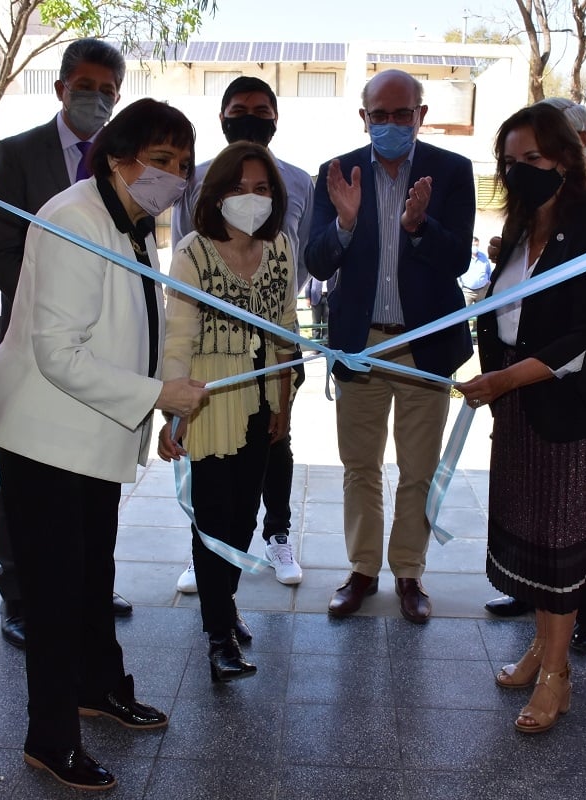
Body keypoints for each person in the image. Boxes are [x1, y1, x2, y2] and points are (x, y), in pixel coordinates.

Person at [0, 98, 208, 791]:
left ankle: (98, 687)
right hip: (47, 437)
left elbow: (135, 326)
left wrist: (159, 405)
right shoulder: (76, 219)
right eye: (160, 160)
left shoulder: (129, 221)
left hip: (92, 431)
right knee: (53, 593)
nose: (172, 177)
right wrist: (157, 397)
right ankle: (50, 738)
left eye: (182, 164)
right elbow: (59, 354)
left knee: (91, 576)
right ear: (115, 157)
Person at [457, 102, 586, 734]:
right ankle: (542, 647)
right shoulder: (521, 224)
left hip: (580, 407)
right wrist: (499, 378)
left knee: (563, 537)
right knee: (534, 529)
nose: (520, 171)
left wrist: (504, 380)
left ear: (566, 157)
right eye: (510, 161)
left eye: (532, 158)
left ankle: (557, 677)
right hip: (521, 400)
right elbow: (505, 311)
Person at [305, 69, 475, 624]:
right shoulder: (336, 173)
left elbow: (459, 260)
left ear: (421, 115)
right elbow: (317, 262)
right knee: (360, 465)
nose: (392, 124)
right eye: (380, 115)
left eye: (403, 114)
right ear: (364, 118)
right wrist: (345, 223)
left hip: (425, 344)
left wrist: (420, 226)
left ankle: (408, 572)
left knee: (418, 467)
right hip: (360, 343)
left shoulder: (452, 171)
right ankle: (361, 570)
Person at [0, 38, 134, 644]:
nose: (96, 98)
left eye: (107, 91)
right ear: (61, 88)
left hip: (104, 351)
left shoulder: (123, 161)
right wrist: (58, 306)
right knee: (27, 472)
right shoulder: (20, 153)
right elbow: (1, 251)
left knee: (92, 474)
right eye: (85, 87)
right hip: (37, 343)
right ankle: (19, 593)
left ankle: (89, 582)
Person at [158, 142, 298, 682]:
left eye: (261, 188)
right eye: (239, 188)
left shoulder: (281, 246)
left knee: (245, 518)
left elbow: (286, 329)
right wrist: (173, 413)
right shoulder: (192, 253)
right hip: (209, 400)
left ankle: (226, 603)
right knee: (214, 519)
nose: (251, 198)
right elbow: (178, 338)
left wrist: (284, 402)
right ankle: (219, 636)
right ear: (216, 193)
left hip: (263, 398)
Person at [171, 76, 312, 594]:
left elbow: (299, 270)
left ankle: (276, 535)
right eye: (239, 109)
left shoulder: (298, 184)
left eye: (260, 110)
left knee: (271, 452)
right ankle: (208, 566)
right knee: (211, 482)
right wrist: (174, 396)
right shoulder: (193, 188)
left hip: (273, 355)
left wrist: (283, 380)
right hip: (209, 365)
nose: (250, 199)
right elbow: (183, 297)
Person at [460, 237, 492, 306]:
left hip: (482, 290)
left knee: (483, 310)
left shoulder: (483, 256)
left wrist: (488, 281)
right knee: (464, 311)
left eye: (477, 245)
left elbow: (488, 270)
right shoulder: (464, 256)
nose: (475, 247)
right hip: (467, 292)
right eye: (473, 245)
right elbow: (458, 272)